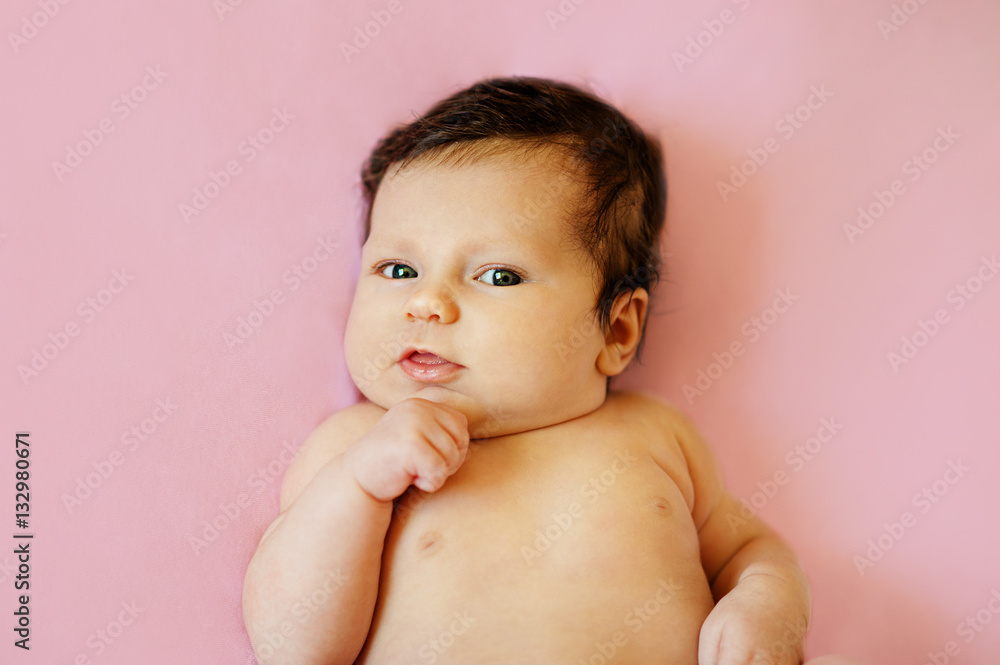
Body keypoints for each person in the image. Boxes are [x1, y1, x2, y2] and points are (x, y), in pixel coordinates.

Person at [243, 76, 870, 665]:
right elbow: (291, 644)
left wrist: (767, 607)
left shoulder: (655, 435)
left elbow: (751, 550)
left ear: (616, 329)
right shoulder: (355, 448)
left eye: (498, 276)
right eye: (398, 270)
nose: (426, 303)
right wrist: (359, 485)